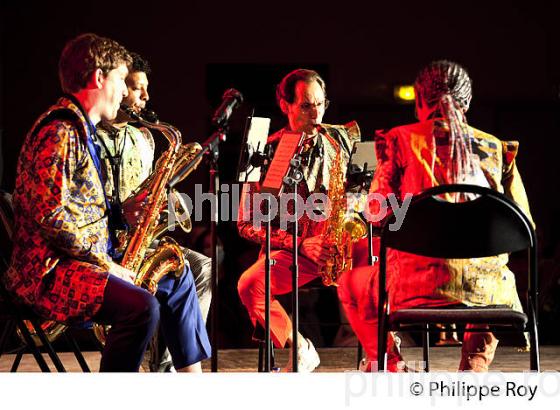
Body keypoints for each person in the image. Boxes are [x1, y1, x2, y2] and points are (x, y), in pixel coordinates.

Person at [2, 33, 210, 372]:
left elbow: (77, 207)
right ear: (99, 78)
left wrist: (118, 214)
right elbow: (50, 215)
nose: (125, 92)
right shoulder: (60, 132)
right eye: (120, 80)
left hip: (76, 261)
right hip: (49, 273)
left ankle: (190, 386)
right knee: (140, 308)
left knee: (176, 275)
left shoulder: (80, 130)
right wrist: (105, 262)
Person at [337, 60, 534, 372]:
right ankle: (474, 367)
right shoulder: (497, 149)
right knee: (493, 279)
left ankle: (388, 364)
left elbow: (377, 214)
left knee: (350, 282)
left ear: (418, 101)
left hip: (413, 286)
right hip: (484, 290)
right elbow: (525, 225)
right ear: (467, 102)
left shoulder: (398, 141)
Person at [237, 69, 361, 371]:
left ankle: (383, 352)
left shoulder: (339, 139)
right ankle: (301, 346)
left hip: (340, 246)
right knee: (249, 285)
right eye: (306, 105)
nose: (316, 113)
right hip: (298, 253)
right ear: (285, 105)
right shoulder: (265, 152)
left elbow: (360, 190)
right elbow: (245, 223)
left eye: (321, 104)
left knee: (388, 264)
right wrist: (301, 244)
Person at [95, 52, 212, 371]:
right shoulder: (90, 135)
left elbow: (150, 191)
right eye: (135, 87)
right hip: (104, 245)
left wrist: (168, 203)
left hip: (138, 243)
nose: (145, 96)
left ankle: (167, 362)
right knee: (180, 272)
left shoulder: (144, 137)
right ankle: (169, 365)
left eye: (146, 88)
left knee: (202, 266)